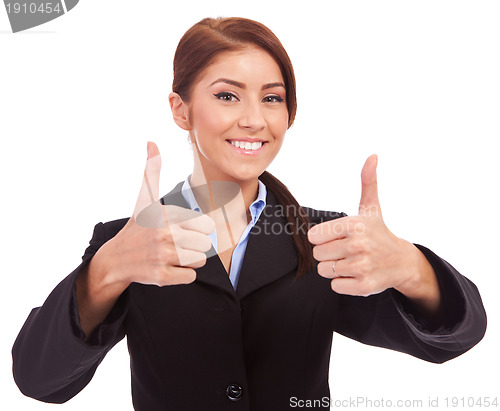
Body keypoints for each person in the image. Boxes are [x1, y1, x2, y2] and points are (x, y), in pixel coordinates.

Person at [12, 17, 487, 411]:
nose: (254, 119)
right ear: (181, 109)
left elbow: (452, 342)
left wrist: (412, 267)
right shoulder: (134, 241)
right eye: (227, 95)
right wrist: (106, 270)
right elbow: (39, 380)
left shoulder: (326, 239)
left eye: (272, 98)